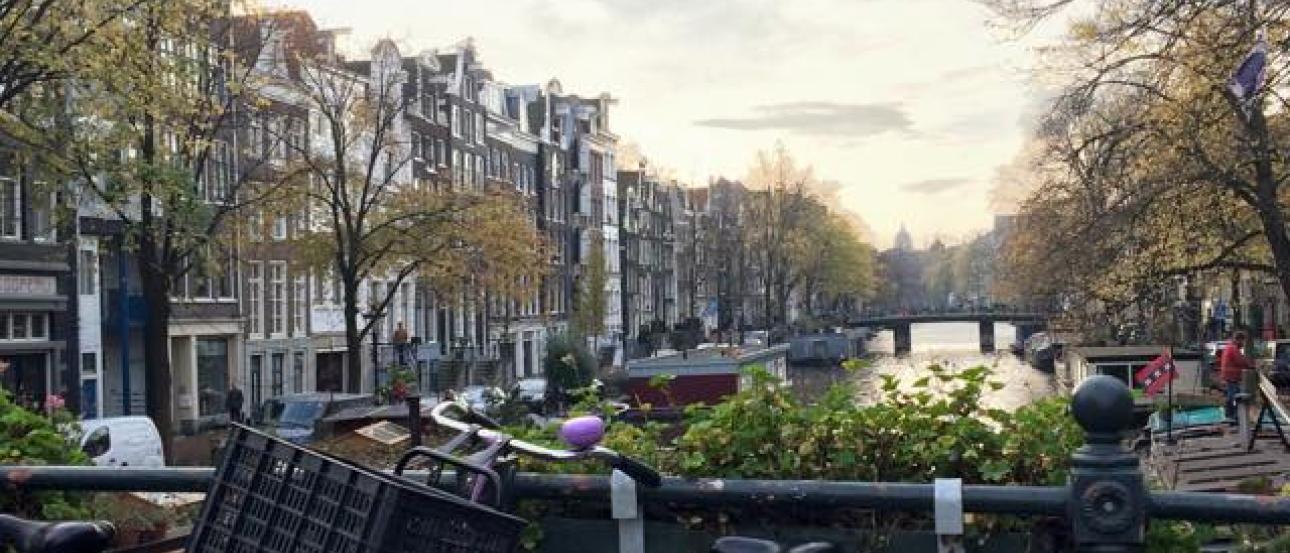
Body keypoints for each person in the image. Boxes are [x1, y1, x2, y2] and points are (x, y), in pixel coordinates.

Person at [1220, 330, 1254, 422]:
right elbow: (1240, 361)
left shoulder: (1230, 347)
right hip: (1231, 375)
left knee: (1234, 394)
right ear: (1238, 339)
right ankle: (1231, 415)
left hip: (1230, 375)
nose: (1243, 344)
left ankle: (1233, 415)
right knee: (1233, 396)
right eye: (1243, 341)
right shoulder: (1233, 348)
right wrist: (1251, 366)